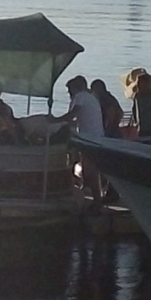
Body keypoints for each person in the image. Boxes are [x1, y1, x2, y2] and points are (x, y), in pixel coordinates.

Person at [51, 75, 104, 210]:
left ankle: (97, 202)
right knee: (89, 169)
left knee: (90, 170)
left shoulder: (80, 96)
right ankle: (89, 197)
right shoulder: (91, 97)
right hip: (97, 137)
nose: (69, 94)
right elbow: (79, 118)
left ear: (77, 88)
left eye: (70, 91)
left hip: (90, 139)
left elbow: (73, 114)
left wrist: (54, 121)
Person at [131, 73, 151, 143]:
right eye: (138, 83)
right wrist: (136, 122)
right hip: (141, 128)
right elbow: (134, 109)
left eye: (141, 83)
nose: (139, 85)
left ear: (147, 83)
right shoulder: (137, 95)